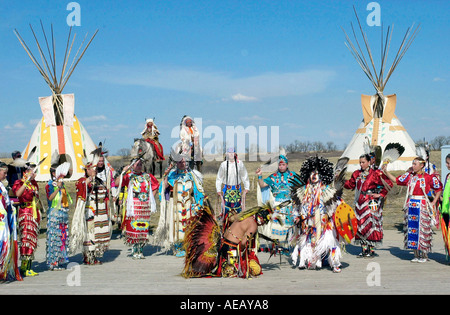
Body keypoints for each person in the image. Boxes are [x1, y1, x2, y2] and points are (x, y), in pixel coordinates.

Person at [182, 202, 279, 279]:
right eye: (264, 222)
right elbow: (244, 242)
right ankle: (228, 267)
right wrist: (243, 251)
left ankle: (224, 264)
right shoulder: (253, 225)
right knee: (255, 269)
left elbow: (230, 219)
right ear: (261, 219)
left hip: (223, 245)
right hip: (231, 250)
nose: (263, 224)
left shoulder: (244, 216)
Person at [290, 156, 345, 273]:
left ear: (322, 175)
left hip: (324, 223)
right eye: (311, 173)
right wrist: (296, 217)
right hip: (307, 223)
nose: (314, 176)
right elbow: (296, 206)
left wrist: (333, 210)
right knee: (306, 243)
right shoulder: (302, 191)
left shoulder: (326, 190)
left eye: (316, 173)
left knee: (330, 242)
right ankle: (304, 260)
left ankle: (335, 263)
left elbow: (336, 202)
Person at [382, 157, 443, 262]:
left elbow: (439, 188)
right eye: (413, 164)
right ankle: (416, 254)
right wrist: (386, 171)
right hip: (411, 205)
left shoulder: (428, 177)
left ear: (422, 165)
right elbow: (397, 180)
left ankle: (424, 255)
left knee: (423, 229)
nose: (413, 166)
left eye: (415, 164)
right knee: (412, 229)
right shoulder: (409, 176)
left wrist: (433, 202)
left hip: (423, 205)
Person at [154, 144, 205, 256]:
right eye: (180, 162)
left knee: (188, 225)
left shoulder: (192, 175)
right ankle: (177, 247)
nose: (182, 163)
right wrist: (166, 176)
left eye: (184, 161)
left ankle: (188, 246)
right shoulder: (172, 175)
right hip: (174, 205)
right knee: (176, 225)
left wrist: (198, 205)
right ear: (176, 163)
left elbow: (198, 191)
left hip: (188, 205)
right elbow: (164, 188)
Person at [344, 154, 393, 258]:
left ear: (369, 162)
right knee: (360, 224)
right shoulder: (356, 173)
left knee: (371, 225)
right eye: (360, 162)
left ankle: (371, 250)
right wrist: (340, 180)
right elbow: (350, 185)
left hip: (372, 202)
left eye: (363, 162)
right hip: (360, 202)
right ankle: (364, 249)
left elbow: (389, 183)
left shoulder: (376, 173)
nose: (361, 164)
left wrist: (380, 194)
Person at [115, 158, 159, 259]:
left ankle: (141, 250)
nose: (139, 166)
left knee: (143, 227)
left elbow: (156, 186)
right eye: (137, 164)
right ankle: (135, 250)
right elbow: (117, 183)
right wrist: (123, 172)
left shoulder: (147, 176)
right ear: (132, 165)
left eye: (140, 164)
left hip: (144, 205)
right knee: (135, 227)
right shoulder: (129, 176)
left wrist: (150, 198)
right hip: (133, 205)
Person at [71, 161, 111, 265]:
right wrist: (90, 179)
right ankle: (88, 257)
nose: (95, 171)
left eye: (95, 169)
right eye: (92, 169)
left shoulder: (99, 181)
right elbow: (82, 187)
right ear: (87, 170)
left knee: (96, 234)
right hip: (89, 212)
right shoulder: (82, 181)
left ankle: (93, 256)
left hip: (99, 213)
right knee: (89, 234)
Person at [256, 154, 296, 251]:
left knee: (289, 225)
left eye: (283, 165)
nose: (281, 167)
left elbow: (300, 187)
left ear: (287, 165)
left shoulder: (293, 176)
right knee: (277, 224)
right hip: (277, 204)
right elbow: (262, 185)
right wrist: (260, 176)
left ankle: (288, 245)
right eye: (280, 165)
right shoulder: (273, 177)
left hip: (289, 204)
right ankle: (276, 245)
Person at [12, 162, 42, 277]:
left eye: (35, 172)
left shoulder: (34, 184)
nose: (34, 174)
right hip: (25, 213)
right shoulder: (19, 182)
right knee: (25, 239)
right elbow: (18, 194)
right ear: (26, 172)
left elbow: (37, 198)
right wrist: (27, 182)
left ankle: (29, 266)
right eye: (32, 172)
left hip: (33, 213)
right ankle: (24, 267)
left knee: (32, 240)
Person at [45, 162, 72, 270]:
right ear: (53, 173)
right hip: (54, 214)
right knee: (54, 238)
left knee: (63, 237)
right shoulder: (49, 185)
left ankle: (61, 260)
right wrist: (58, 188)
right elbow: (50, 198)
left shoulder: (62, 184)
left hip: (63, 213)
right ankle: (53, 262)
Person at [215, 148, 250, 231]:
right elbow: (219, 177)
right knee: (225, 210)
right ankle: (224, 230)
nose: (231, 154)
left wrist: (247, 187)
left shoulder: (239, 164)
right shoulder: (223, 164)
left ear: (235, 154)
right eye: (229, 152)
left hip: (237, 190)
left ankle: (238, 230)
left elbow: (244, 175)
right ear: (227, 154)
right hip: (227, 190)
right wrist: (218, 189)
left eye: (232, 152)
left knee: (238, 210)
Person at [0, 161, 22, 281]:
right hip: (1, 221)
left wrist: (11, 205)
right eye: (4, 172)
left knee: (4, 245)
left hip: (4, 221)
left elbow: (7, 201)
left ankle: (3, 270)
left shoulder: (2, 186)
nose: (6, 175)